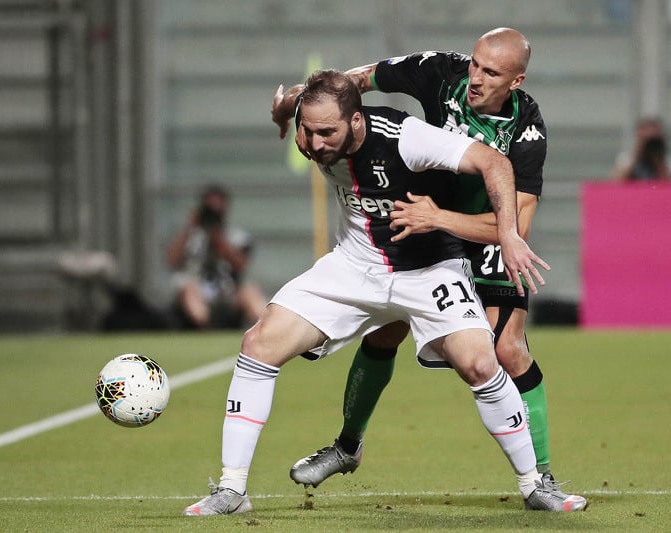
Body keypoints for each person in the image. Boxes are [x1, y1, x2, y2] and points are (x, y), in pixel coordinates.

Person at [184, 70, 584, 516]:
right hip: (354, 268)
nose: (315, 144)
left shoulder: (407, 137)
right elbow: (298, 99)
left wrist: (507, 233)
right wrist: (283, 112)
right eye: (307, 131)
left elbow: (495, 163)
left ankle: (534, 485)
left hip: (429, 271)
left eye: (326, 133)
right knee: (258, 344)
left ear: (357, 121)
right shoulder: (310, 122)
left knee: (480, 362)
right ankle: (232, 490)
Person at [272, 28, 573, 496]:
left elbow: (512, 230)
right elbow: (357, 83)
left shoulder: (526, 129)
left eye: (490, 72)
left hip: (482, 228)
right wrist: (298, 101)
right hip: (420, 222)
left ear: (516, 81)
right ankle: (347, 446)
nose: (475, 77)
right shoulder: (439, 71)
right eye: (475, 63)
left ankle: (542, 473)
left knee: (507, 350)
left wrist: (442, 218)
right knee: (383, 329)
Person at [166, 184, 267, 329]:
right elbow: (171, 260)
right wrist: (190, 228)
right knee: (188, 289)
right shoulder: (190, 237)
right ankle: (206, 327)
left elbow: (241, 265)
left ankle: (268, 328)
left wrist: (218, 238)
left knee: (250, 290)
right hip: (197, 290)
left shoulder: (236, 237)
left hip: (228, 292)